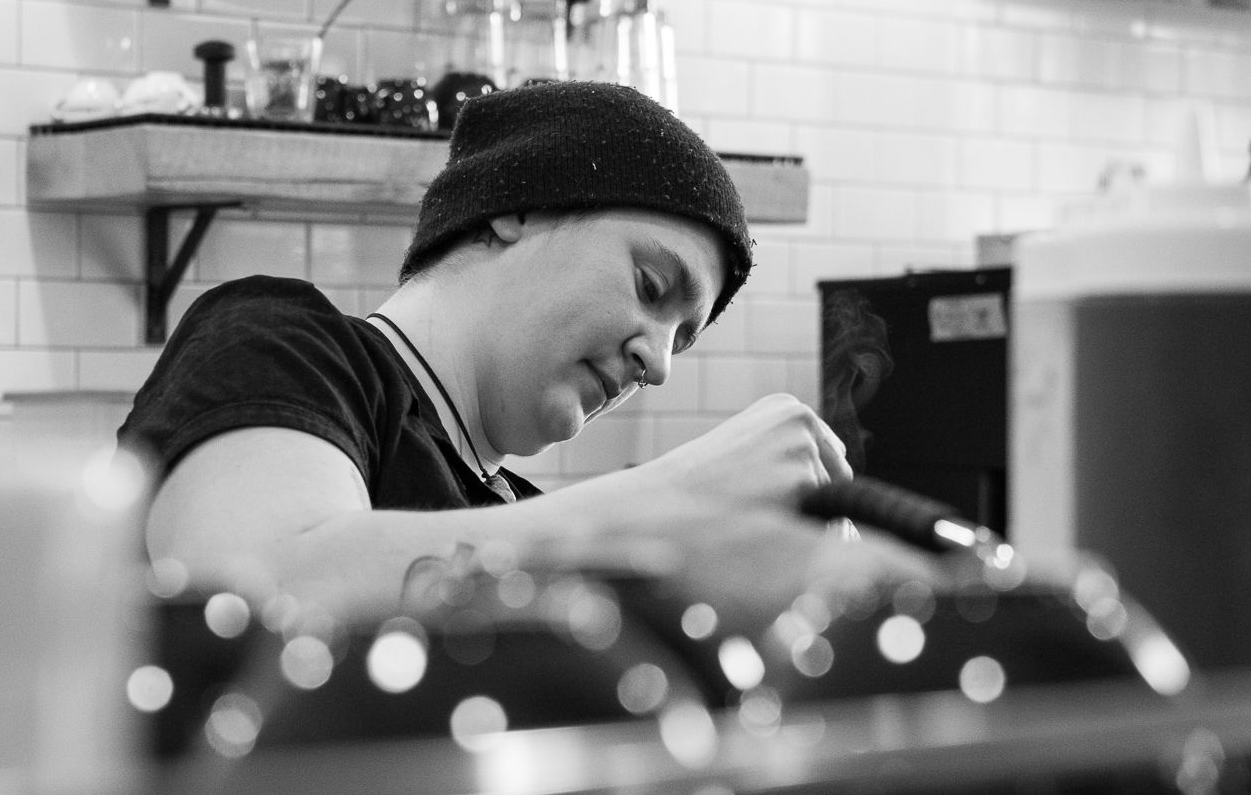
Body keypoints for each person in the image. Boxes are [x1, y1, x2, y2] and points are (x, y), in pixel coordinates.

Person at [118, 81, 930, 623]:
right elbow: (260, 597)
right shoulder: (280, 342)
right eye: (650, 285)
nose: (657, 363)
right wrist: (675, 499)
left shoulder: (514, 515)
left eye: (683, 339)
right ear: (518, 209)